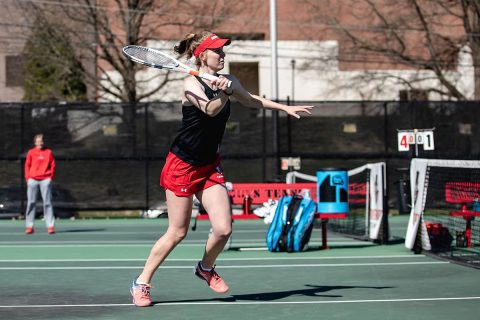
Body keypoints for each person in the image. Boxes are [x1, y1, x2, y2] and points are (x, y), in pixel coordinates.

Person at [130, 31, 314, 307]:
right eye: (218, 51)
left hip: (208, 165)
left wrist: (284, 108)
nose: (223, 55)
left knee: (224, 228)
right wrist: (225, 92)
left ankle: (205, 267)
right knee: (177, 232)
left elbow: (251, 100)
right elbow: (211, 109)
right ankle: (141, 282)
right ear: (202, 55)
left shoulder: (230, 80)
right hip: (181, 165)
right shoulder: (190, 85)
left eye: (224, 50)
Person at [24, 134, 56, 234]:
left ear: (43, 142)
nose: (40, 143)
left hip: (45, 179)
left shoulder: (49, 152)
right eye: (38, 141)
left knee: (47, 203)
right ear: (35, 142)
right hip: (32, 180)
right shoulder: (31, 152)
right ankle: (29, 227)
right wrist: (28, 178)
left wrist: (50, 177)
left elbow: (53, 165)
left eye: (41, 141)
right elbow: (27, 165)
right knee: (31, 203)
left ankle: (50, 226)